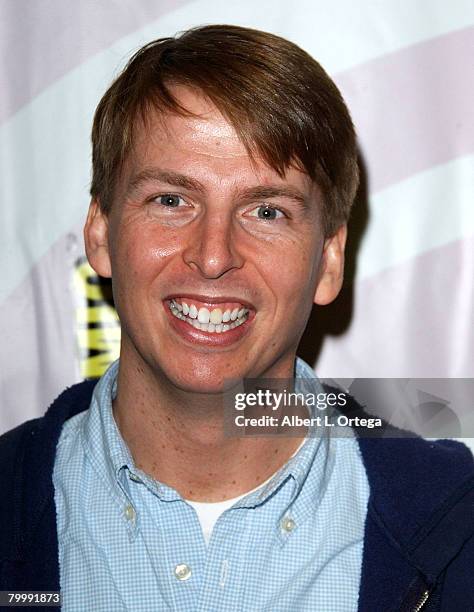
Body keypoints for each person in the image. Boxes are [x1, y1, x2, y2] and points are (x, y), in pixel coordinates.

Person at [0, 24, 472, 612]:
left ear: (328, 261)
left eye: (267, 210)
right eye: (171, 200)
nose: (214, 254)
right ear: (99, 231)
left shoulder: (460, 526)